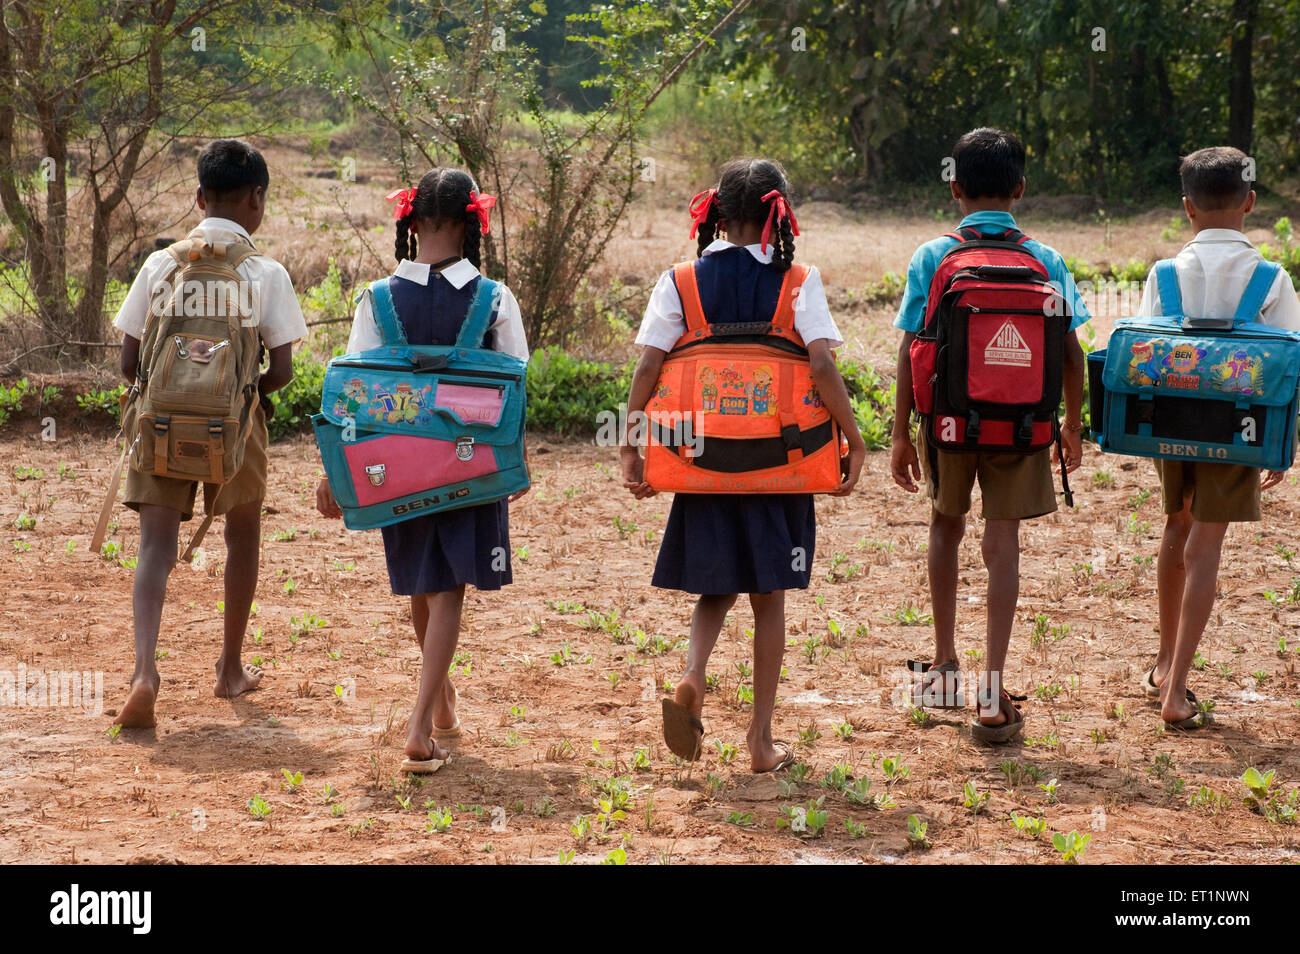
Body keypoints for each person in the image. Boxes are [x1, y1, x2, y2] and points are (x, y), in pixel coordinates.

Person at [620, 157, 866, 773]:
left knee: (715, 584)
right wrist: (853, 437)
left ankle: (693, 674)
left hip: (703, 463)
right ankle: (760, 740)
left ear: (718, 215)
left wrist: (630, 443)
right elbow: (822, 367)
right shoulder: (797, 280)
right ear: (779, 213)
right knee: (769, 595)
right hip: (778, 465)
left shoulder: (679, 281)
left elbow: (648, 367)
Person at [315, 168, 529, 772]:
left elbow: (346, 395)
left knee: (422, 581)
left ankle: (441, 707)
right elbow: (514, 383)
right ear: (472, 222)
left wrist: (334, 472)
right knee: (448, 588)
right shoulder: (493, 298)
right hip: (471, 466)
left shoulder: (377, 300)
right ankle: (418, 725)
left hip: (395, 468)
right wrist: (513, 466)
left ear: (409, 222)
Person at [889, 128, 1090, 743]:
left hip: (948, 423)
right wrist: (1073, 425)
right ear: (1021, 189)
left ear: (954, 187)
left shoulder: (932, 256)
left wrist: (900, 434)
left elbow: (909, 351)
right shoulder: (1047, 259)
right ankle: (992, 689)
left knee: (946, 528)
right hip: (1024, 426)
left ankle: (946, 664)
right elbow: (1072, 353)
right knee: (1004, 545)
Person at [112, 139, 306, 728]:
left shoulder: (161, 264)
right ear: (257, 200)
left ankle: (145, 671)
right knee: (241, 536)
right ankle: (228, 668)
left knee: (154, 547)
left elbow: (128, 363)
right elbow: (282, 372)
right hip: (235, 429)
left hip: (161, 424)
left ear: (198, 197)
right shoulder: (265, 273)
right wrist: (240, 397)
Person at [1136, 146, 1300, 729]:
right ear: (1250, 203)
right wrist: (1287, 442)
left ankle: (1161, 659)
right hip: (1240, 428)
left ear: (1187, 209)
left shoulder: (1164, 274)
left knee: (1175, 527)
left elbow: (1145, 356)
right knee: (1205, 547)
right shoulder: (1272, 279)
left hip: (1172, 425)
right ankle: (1177, 692)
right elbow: (1288, 369)